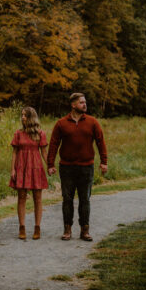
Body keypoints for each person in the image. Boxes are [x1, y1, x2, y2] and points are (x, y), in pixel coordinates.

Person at [47, 92, 107, 241]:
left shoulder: (93, 122)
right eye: (81, 102)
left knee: (85, 199)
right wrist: (50, 164)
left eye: (85, 102)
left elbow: (101, 142)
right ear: (73, 105)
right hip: (67, 167)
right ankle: (67, 229)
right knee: (67, 199)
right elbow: (54, 144)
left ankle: (84, 230)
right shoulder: (61, 123)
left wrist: (104, 162)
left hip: (87, 167)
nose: (85, 104)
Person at [9, 106, 49, 240]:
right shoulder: (18, 133)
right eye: (22, 115)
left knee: (37, 199)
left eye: (25, 115)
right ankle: (22, 227)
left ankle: (37, 227)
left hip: (36, 167)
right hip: (21, 167)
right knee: (21, 197)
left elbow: (44, 152)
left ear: (31, 117)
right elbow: (14, 152)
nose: (22, 117)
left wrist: (50, 166)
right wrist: (13, 169)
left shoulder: (40, 133)